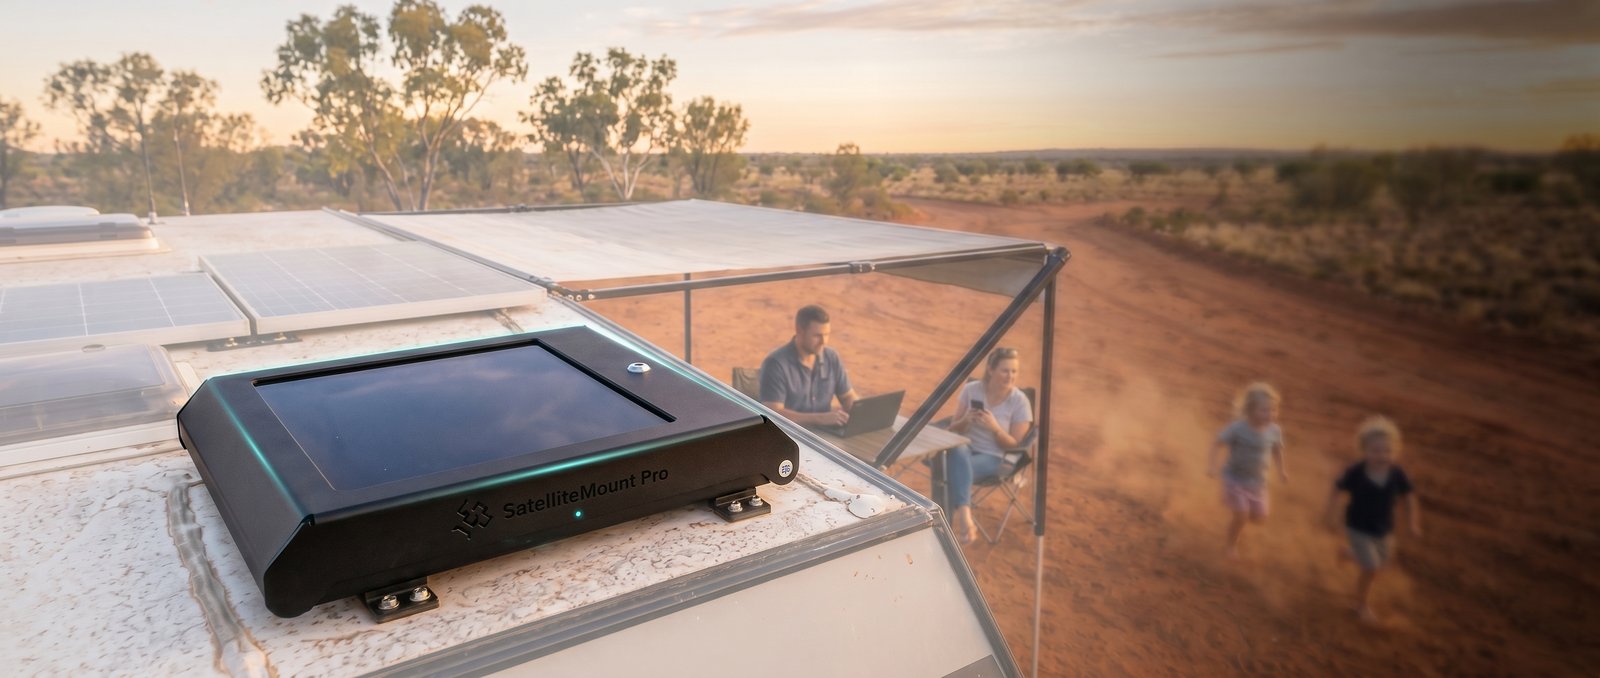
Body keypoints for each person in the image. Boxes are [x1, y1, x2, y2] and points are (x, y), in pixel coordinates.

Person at [1325, 416, 1421, 624]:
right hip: (1357, 527)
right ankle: (1360, 604)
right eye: (1376, 450)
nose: (1382, 455)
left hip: (1384, 530)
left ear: (1395, 451)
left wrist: (1413, 523)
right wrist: (1331, 514)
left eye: (1387, 451)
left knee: (1382, 564)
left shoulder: (1397, 474)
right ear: (1364, 450)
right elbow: (1337, 489)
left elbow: (1409, 498)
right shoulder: (1357, 472)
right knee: (1371, 568)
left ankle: (1349, 553)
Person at [943, 347, 1033, 544]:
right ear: (991, 369)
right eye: (1005, 370)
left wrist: (995, 428)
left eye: (1014, 371)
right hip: (964, 448)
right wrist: (967, 420)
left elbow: (1015, 446)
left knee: (949, 471)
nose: (1011, 376)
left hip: (996, 457)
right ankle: (963, 521)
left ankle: (951, 525)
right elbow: (954, 428)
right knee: (958, 451)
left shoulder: (1020, 402)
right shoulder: (972, 390)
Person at [1206, 382, 1288, 558]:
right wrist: (1212, 466)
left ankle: (1237, 522)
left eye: (1273, 410)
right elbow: (1217, 443)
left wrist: (1281, 470)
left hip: (1258, 484)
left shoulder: (1275, 430)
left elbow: (1277, 450)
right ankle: (1230, 546)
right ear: (1250, 409)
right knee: (1241, 516)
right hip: (1235, 480)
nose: (1270, 414)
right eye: (1264, 410)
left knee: (1260, 518)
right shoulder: (1237, 428)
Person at [760, 305, 858, 427]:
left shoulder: (831, 357)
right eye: (817, 336)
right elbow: (773, 413)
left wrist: (860, 412)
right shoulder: (776, 364)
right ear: (799, 330)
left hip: (826, 434)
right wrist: (821, 419)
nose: (824, 342)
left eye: (826, 334)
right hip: (791, 436)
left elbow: (848, 396)